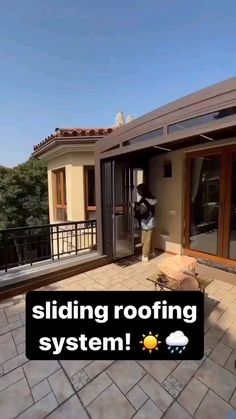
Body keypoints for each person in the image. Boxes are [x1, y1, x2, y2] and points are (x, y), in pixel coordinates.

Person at [134, 183, 157, 262]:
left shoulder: (144, 199)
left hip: (146, 222)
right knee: (151, 237)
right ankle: (152, 252)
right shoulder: (151, 198)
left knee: (145, 239)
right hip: (151, 221)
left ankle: (145, 255)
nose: (138, 192)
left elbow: (142, 211)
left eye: (139, 190)